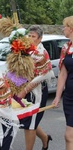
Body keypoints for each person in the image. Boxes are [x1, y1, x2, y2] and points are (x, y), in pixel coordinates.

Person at [14, 26, 54, 150]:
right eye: (29, 36)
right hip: (23, 89)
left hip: (37, 92)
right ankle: (45, 138)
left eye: (34, 36)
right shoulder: (25, 50)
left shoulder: (41, 53)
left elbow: (44, 75)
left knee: (30, 124)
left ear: (40, 39)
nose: (30, 38)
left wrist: (25, 90)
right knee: (28, 120)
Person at [52, 16, 73, 150]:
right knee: (70, 136)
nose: (63, 29)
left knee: (69, 135)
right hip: (70, 97)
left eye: (64, 26)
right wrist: (57, 96)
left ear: (71, 28)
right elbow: (63, 74)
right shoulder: (66, 48)